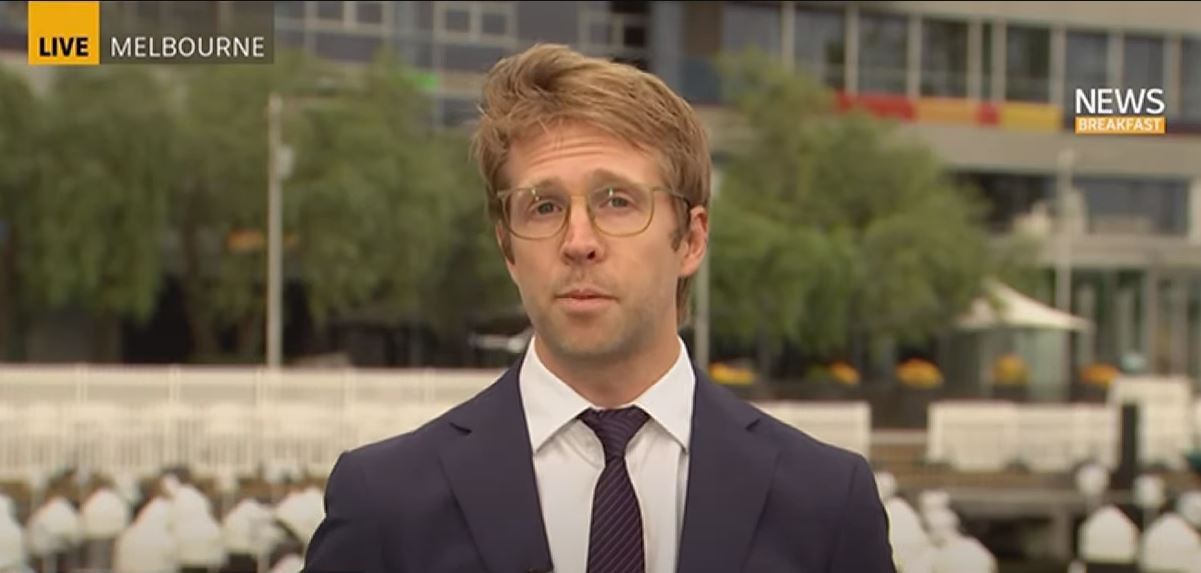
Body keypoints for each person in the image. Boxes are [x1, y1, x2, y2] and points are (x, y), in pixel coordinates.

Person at [304, 43, 894, 573]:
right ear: (508, 248)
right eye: (543, 206)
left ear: (690, 240)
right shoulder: (385, 502)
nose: (577, 240)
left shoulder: (825, 502)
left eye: (617, 201)